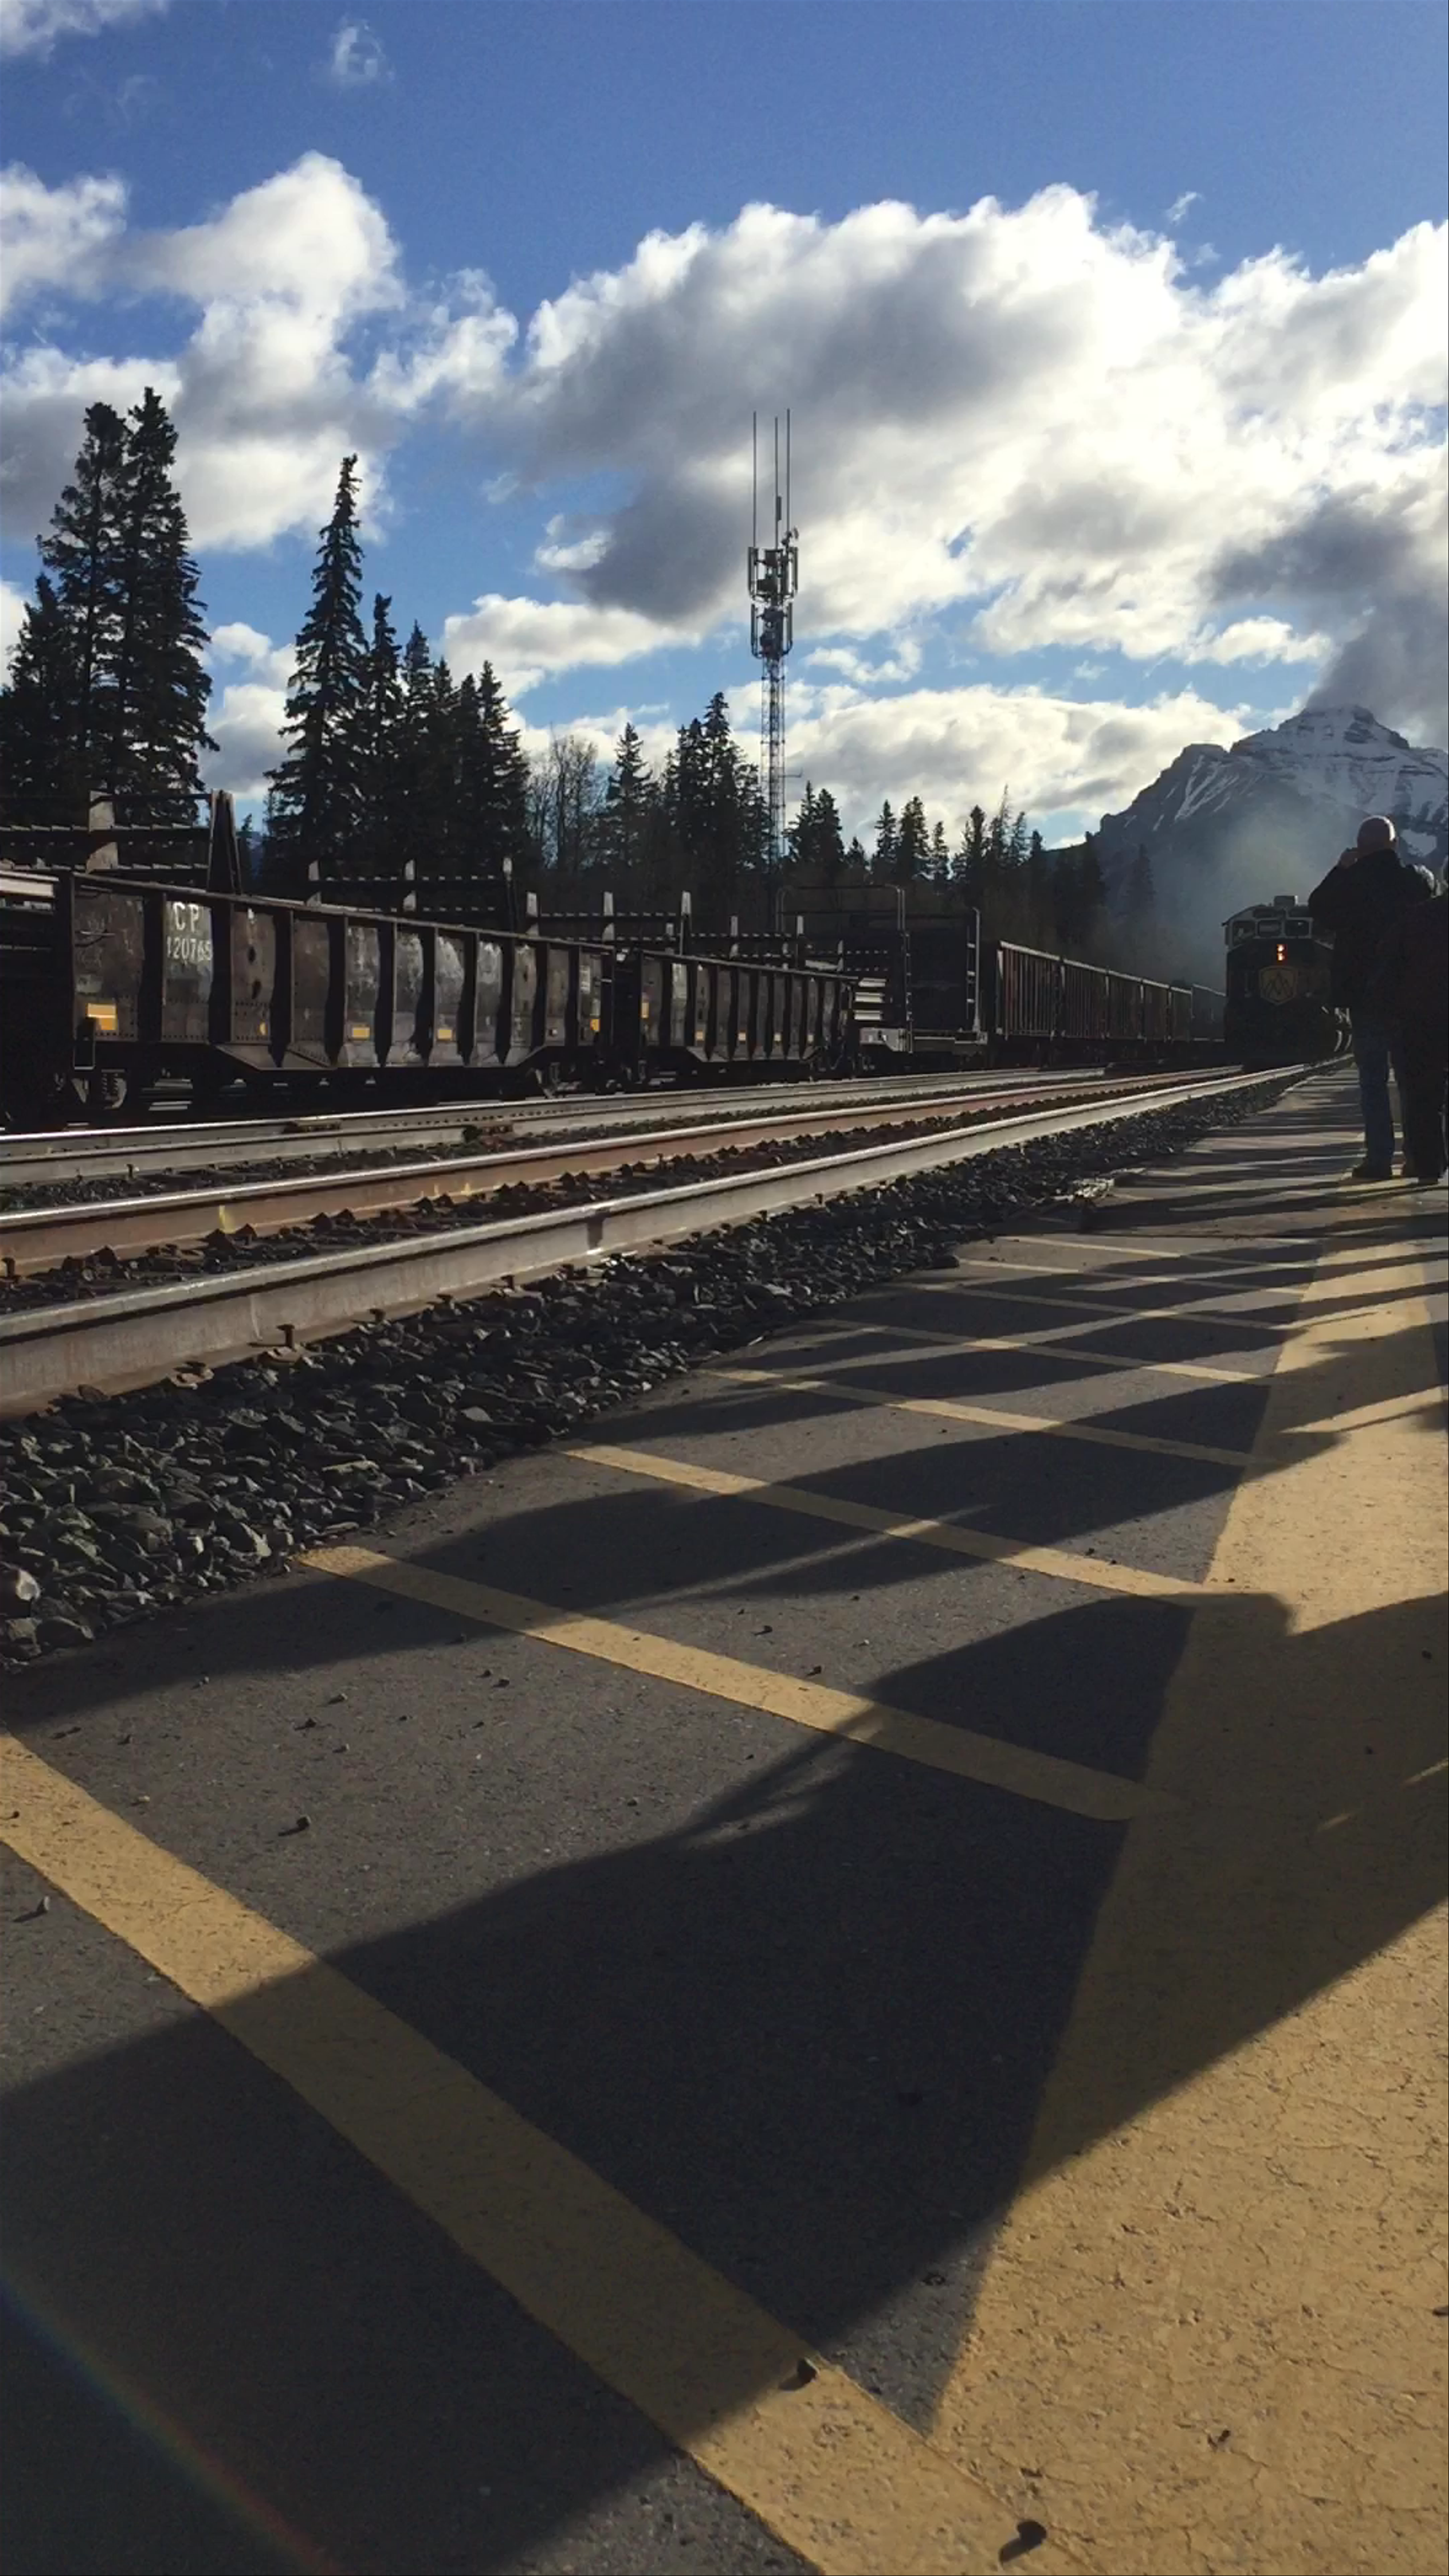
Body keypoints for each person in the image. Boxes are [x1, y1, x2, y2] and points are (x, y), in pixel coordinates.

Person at [1308, 816, 1435, 1179]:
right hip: (1412, 996)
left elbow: (1318, 908)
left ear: (1360, 848)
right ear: (1394, 845)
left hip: (1365, 997)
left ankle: (1379, 1160)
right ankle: (1418, 1158)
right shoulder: (1414, 881)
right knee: (1414, 1080)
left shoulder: (1350, 882)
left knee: (1373, 1081)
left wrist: (1340, 868)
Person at [1367, 865, 1447, 1184]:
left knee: (1423, 1098)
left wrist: (1390, 1015)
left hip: (1422, 1020)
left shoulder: (1415, 919)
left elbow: (1387, 970)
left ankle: (1428, 1166)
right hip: (1421, 1016)